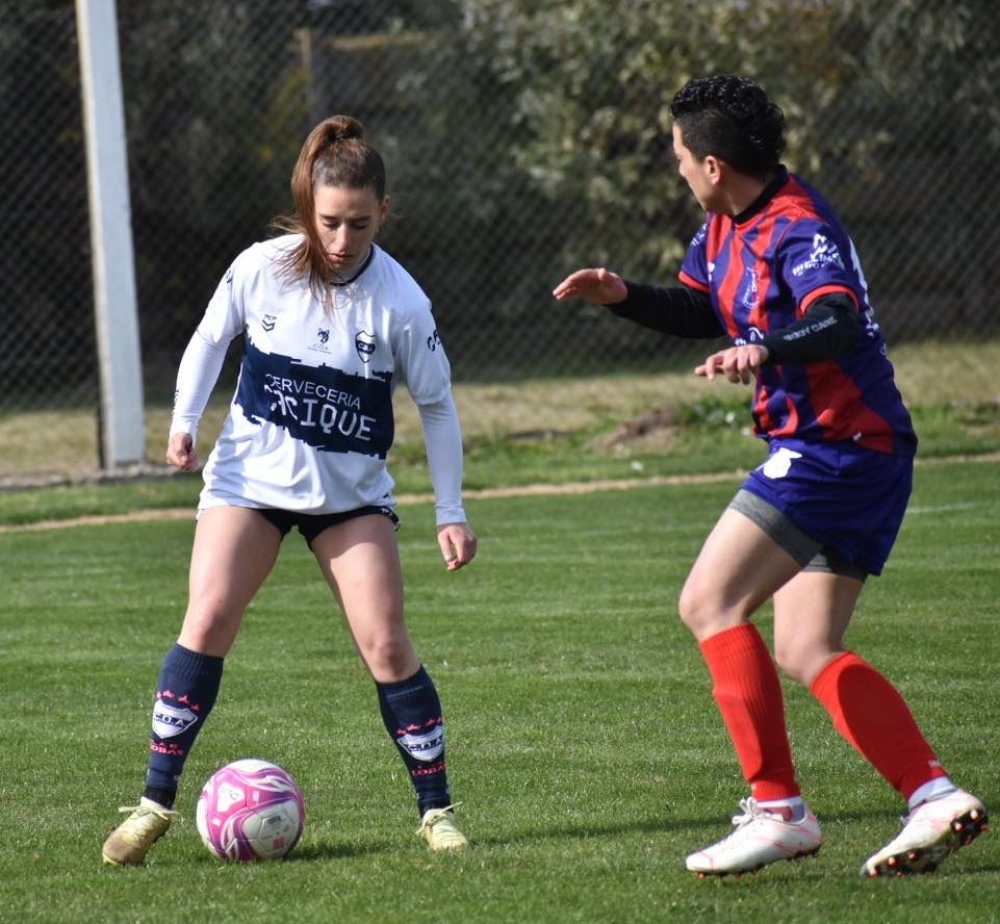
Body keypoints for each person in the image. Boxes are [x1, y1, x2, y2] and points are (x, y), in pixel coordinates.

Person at [553, 74, 987, 878]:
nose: (674, 164)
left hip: (838, 448)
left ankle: (779, 807)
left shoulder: (798, 226)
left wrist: (769, 347)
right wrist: (620, 295)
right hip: (856, 454)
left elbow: (834, 317)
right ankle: (931, 793)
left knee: (708, 601)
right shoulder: (721, 226)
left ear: (713, 163)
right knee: (806, 644)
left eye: (678, 153)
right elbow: (697, 309)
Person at [102, 115, 478, 866]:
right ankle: (153, 806)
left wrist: (450, 509)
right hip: (250, 483)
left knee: (387, 643)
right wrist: (182, 422)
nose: (342, 240)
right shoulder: (261, 267)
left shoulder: (401, 300)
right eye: (330, 221)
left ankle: (436, 813)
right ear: (309, 206)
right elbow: (211, 340)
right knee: (205, 620)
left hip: (350, 498)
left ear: (384, 213)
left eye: (360, 223)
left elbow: (437, 404)